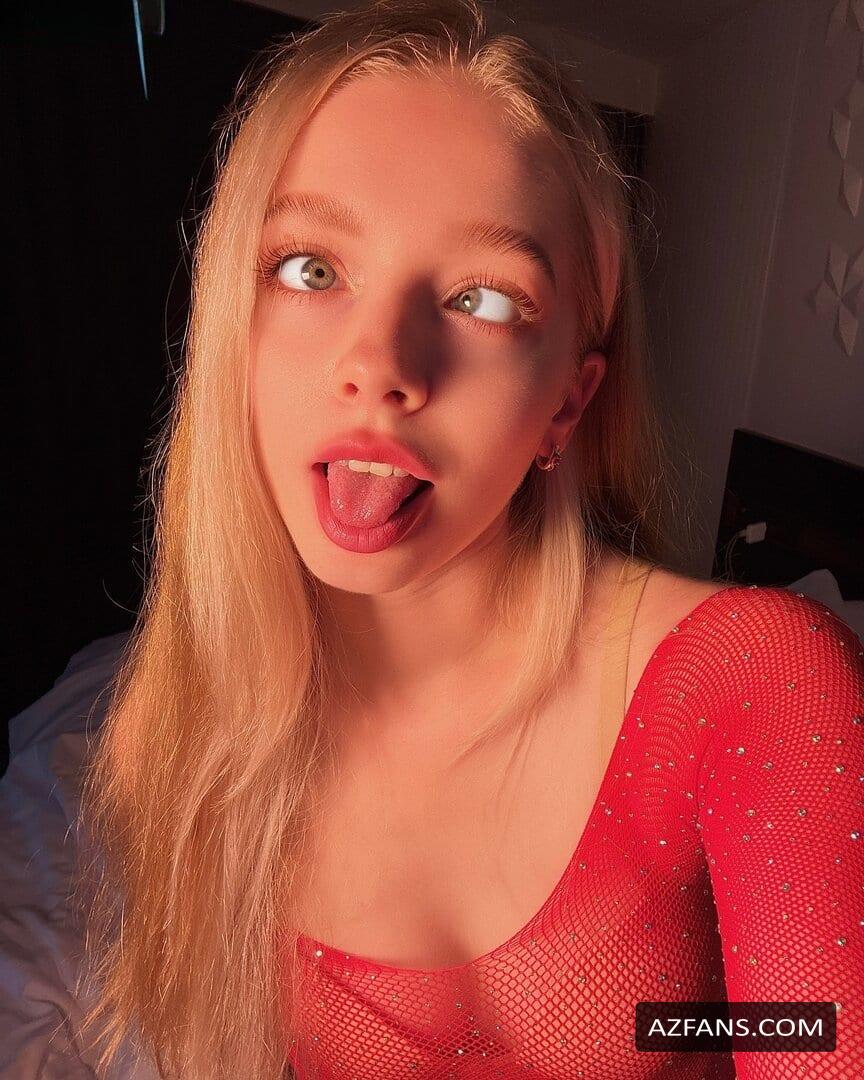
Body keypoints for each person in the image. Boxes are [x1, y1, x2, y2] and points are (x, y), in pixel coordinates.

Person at [68, 1, 864, 1077]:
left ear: (567, 403)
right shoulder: (171, 737)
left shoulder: (757, 678)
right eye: (310, 269)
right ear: (229, 331)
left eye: (483, 298)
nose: (381, 365)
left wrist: (682, 1032)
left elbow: (804, 1033)